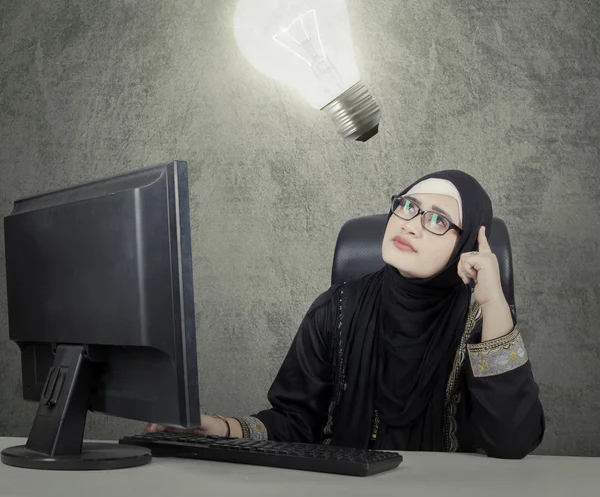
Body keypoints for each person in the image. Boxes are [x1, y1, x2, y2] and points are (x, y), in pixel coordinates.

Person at [146, 169, 545, 458]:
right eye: (407, 205)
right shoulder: (335, 308)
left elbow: (512, 441)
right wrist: (218, 428)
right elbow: (296, 423)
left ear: (468, 244)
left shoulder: (482, 322)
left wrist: (493, 304)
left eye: (438, 219)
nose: (410, 225)